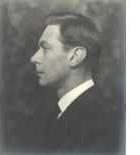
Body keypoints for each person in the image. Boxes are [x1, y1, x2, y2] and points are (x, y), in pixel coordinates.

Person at [30, 12, 120, 154]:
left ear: (75, 56)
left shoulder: (101, 125)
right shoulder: (59, 112)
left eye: (45, 49)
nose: (34, 58)